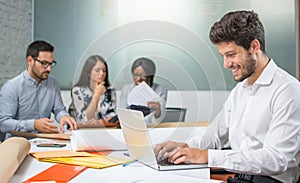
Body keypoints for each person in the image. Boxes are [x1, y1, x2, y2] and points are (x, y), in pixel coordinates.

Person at [154, 10, 300, 183]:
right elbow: (214, 136)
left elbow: (277, 159)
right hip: (241, 177)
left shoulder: (287, 90)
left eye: (231, 55)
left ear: (254, 47)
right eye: (223, 56)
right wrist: (185, 147)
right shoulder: (240, 91)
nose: (226, 64)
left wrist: (208, 156)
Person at [0, 40, 77, 139]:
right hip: (19, 144)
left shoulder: (53, 83)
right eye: (44, 63)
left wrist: (64, 116)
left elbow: (59, 110)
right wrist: (33, 124)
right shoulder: (12, 87)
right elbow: (3, 124)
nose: (49, 68)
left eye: (51, 63)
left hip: (45, 141)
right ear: (30, 60)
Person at [69, 55, 118, 127]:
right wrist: (97, 95)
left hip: (104, 130)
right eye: (97, 70)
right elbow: (83, 119)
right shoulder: (77, 90)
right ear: (89, 72)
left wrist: (99, 123)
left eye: (104, 70)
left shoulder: (110, 90)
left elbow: (113, 118)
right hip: (82, 132)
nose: (102, 74)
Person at [120, 57, 168, 124]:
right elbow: (123, 113)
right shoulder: (126, 89)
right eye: (135, 75)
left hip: (151, 127)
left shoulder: (161, 90)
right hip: (131, 125)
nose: (138, 78)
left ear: (150, 76)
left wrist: (158, 111)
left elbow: (159, 118)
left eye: (143, 75)